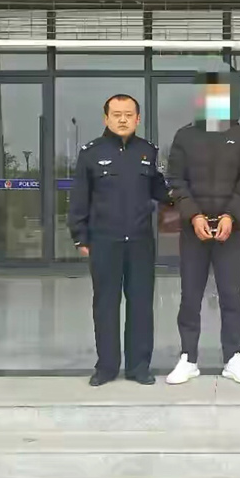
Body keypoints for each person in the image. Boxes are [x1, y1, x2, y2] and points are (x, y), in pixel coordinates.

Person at [68, 94, 170, 387]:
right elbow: (79, 197)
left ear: (138, 119)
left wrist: (188, 197)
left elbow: (161, 191)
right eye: (116, 114)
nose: (122, 119)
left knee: (141, 305)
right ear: (106, 118)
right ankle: (106, 367)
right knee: (105, 305)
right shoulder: (90, 153)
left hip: (140, 241)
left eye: (128, 115)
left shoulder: (148, 152)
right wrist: (80, 235)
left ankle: (139, 367)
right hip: (104, 241)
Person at [165, 73, 240, 385]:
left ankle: (233, 358)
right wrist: (193, 216)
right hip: (194, 230)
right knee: (190, 296)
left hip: (230, 230)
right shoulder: (185, 136)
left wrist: (232, 215)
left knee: (231, 295)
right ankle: (188, 358)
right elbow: (175, 180)